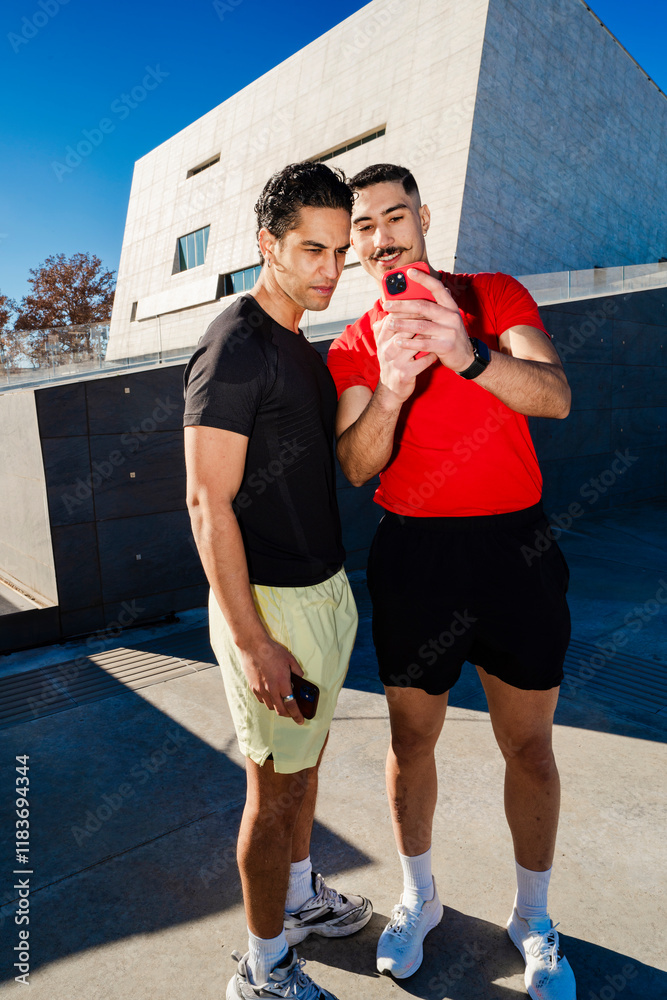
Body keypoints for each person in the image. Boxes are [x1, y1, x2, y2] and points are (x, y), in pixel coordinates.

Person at [328, 163, 576, 1000]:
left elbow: (554, 397)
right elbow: (356, 466)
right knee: (409, 744)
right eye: (364, 225)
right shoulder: (355, 342)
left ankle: (532, 917)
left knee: (528, 746)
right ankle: (418, 896)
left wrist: (464, 356)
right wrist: (392, 390)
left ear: (423, 218)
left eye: (394, 216)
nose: (380, 235)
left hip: (515, 551)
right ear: (354, 242)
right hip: (415, 558)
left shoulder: (493, 296)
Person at [183, 161, 372, 1000]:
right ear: (267, 245)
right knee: (273, 790)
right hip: (273, 609)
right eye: (310, 250)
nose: (331, 269)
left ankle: (296, 900)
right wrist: (255, 639)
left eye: (340, 251)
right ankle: (262, 970)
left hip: (322, 591)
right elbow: (205, 500)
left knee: (306, 765)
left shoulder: (300, 342)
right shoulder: (234, 345)